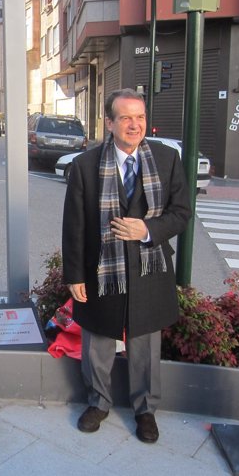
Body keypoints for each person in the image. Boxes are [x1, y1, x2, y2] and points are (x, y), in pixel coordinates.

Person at [62, 88, 191, 444]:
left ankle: (145, 409)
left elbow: (181, 214)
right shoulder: (85, 165)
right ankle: (98, 402)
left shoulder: (166, 160)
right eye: (126, 118)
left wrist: (147, 229)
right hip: (101, 271)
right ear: (109, 123)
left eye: (140, 118)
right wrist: (73, 275)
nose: (134, 125)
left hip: (149, 270)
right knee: (97, 341)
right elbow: (73, 224)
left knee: (145, 344)